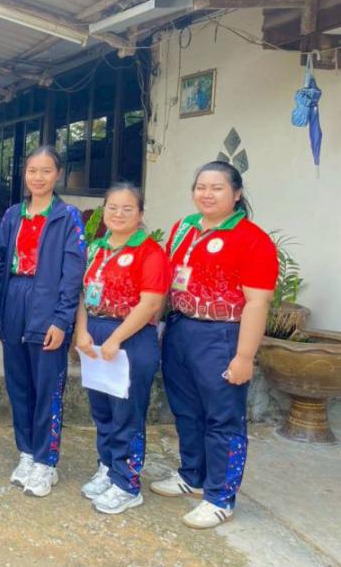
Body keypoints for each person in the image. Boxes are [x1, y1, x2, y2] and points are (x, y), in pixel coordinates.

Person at [152, 161, 277, 529]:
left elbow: (257, 302)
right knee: (186, 410)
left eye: (217, 187)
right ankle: (192, 474)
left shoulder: (252, 239)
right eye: (201, 187)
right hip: (180, 329)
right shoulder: (184, 228)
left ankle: (221, 496)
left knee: (223, 418)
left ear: (236, 194)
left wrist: (244, 356)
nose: (206, 194)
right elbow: (166, 282)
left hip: (222, 335)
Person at [0, 146, 85, 499]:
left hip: (48, 304)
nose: (38, 177)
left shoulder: (68, 217)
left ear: (58, 174)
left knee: (47, 386)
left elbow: (73, 274)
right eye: (32, 170)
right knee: (19, 384)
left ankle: (46, 461)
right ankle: (27, 452)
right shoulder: (13, 214)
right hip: (14, 300)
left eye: (46, 171)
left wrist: (62, 319)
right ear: (24, 173)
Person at [74, 183, 169, 514]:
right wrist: (82, 332)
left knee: (127, 413)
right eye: (112, 207)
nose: (118, 214)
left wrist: (116, 338)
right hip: (95, 336)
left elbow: (150, 303)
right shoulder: (95, 248)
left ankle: (127, 484)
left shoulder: (150, 252)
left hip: (131, 339)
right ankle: (107, 466)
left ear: (140, 214)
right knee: (102, 410)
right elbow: (81, 294)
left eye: (127, 209)